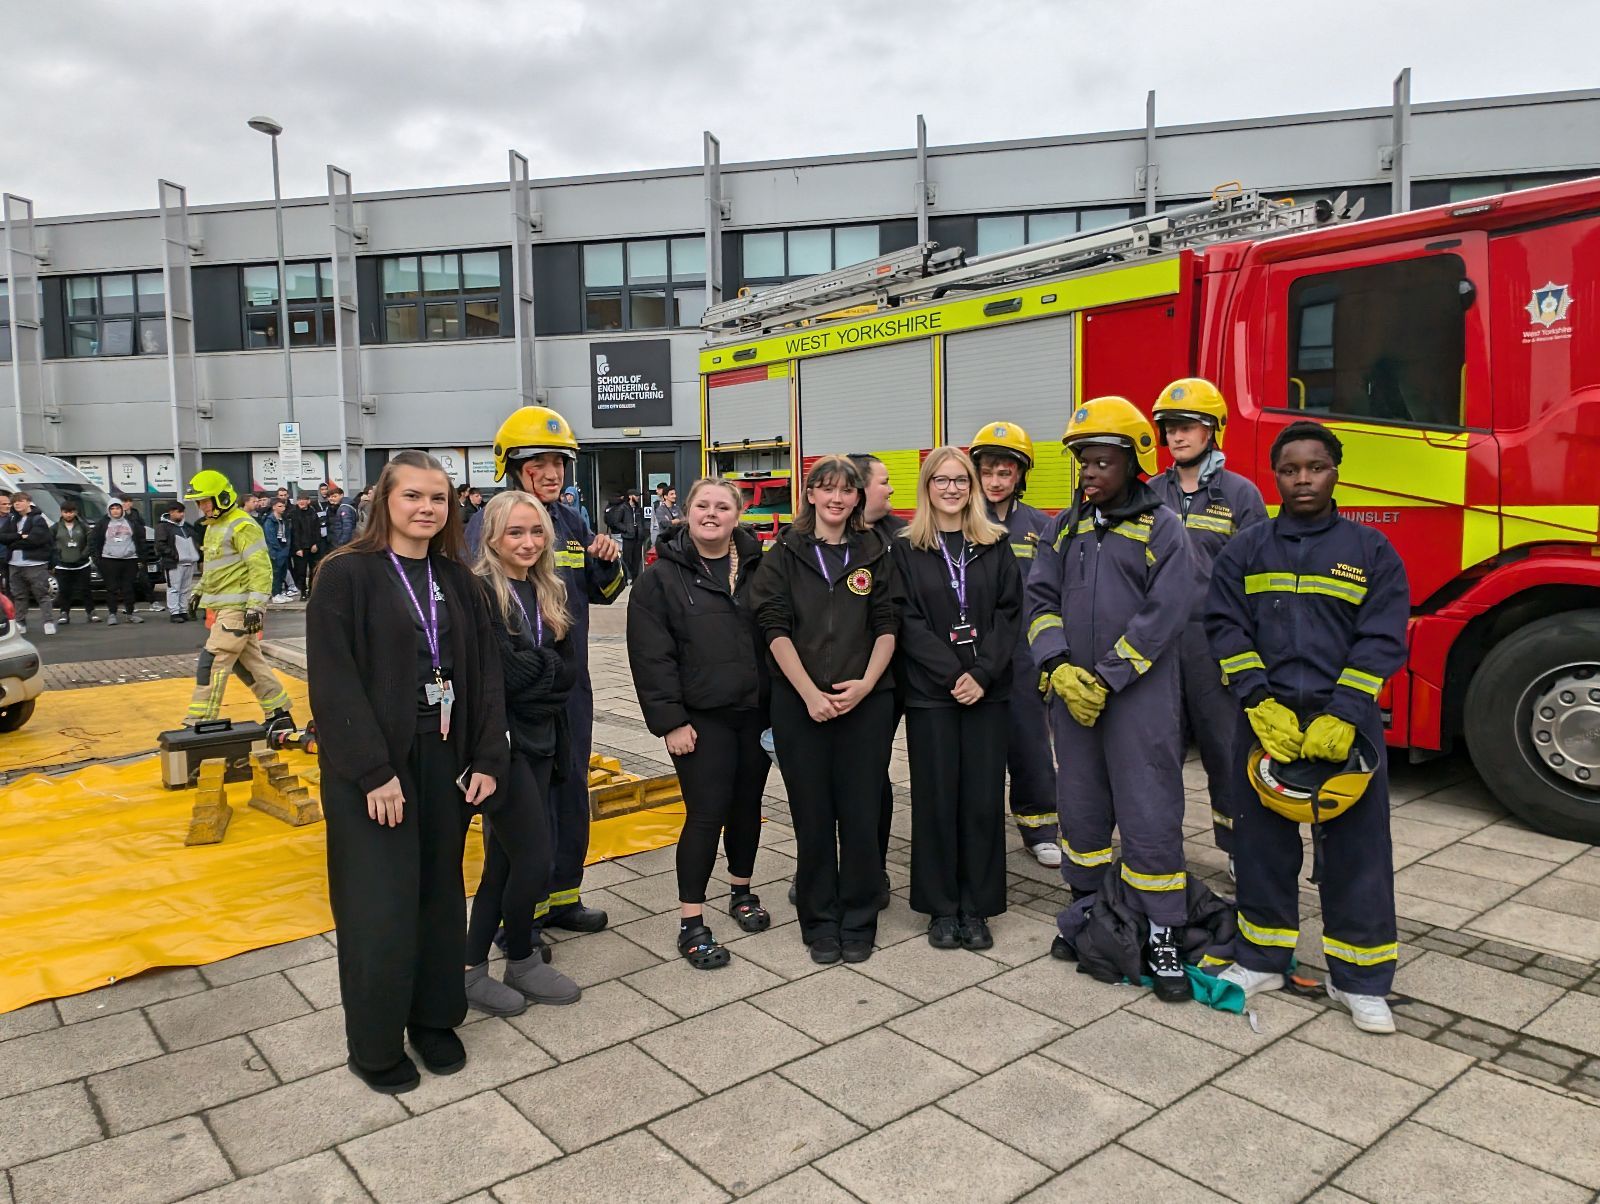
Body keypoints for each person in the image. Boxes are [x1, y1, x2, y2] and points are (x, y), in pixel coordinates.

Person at [307, 450, 506, 1093]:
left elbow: (484, 675)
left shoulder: (459, 579)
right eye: (413, 496)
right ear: (384, 502)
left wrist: (486, 756)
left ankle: (434, 1018)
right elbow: (333, 682)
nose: (426, 508)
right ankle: (373, 1042)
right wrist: (372, 772)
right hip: (375, 765)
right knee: (380, 905)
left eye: (438, 499)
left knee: (439, 896)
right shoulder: (346, 575)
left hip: (445, 758)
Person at [1206, 420, 1408, 1034]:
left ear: (1334, 471)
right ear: (1275, 475)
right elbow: (1223, 624)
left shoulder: (1370, 551)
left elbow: (1382, 635)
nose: (1301, 479)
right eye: (1289, 469)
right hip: (1266, 723)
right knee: (1261, 844)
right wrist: (1257, 700)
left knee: (1358, 852)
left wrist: (1346, 711)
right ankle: (1263, 956)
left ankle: (1361, 980)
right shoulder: (1247, 548)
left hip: (1346, 728)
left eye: (1314, 467)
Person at [1027, 396, 1197, 1003]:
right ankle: (1087, 919)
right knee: (1081, 808)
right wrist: (1058, 667)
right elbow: (1039, 601)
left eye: (1102, 462)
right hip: (1073, 698)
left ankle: (1162, 934)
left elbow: (1167, 611)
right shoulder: (1062, 527)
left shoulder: (1162, 528)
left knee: (1150, 812)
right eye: (1083, 463)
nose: (1090, 473)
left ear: (1134, 463)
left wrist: (1107, 675)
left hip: (1138, 701)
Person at [470, 406, 624, 934]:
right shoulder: (491, 521)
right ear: (512, 466)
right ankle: (522, 916)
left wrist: (608, 560)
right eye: (540, 462)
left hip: (569, 686)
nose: (553, 473)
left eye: (560, 462)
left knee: (569, 787)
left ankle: (562, 897)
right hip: (519, 692)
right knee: (520, 808)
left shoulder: (570, 521)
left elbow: (602, 594)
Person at [750, 455, 899, 965]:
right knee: (812, 819)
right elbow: (773, 627)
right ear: (810, 494)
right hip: (800, 706)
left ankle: (859, 919)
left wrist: (866, 686)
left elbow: (887, 623)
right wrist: (810, 694)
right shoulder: (783, 554)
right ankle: (818, 920)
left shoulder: (877, 550)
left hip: (866, 704)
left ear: (858, 499)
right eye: (827, 488)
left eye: (847, 490)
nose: (837, 498)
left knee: (860, 818)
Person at [628, 478, 771, 969]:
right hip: (699, 720)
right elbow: (651, 656)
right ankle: (692, 921)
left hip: (755, 713)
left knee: (748, 806)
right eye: (703, 506)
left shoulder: (760, 566)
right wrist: (670, 720)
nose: (712, 514)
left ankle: (742, 891)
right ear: (685, 513)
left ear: (738, 513)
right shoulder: (660, 578)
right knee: (706, 814)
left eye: (723, 506)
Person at [893, 448, 1021, 951]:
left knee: (984, 801)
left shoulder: (995, 545)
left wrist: (983, 673)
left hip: (988, 693)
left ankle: (978, 905)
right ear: (926, 487)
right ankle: (941, 907)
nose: (951, 488)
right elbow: (905, 620)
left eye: (961, 480)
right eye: (941, 480)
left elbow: (1011, 614)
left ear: (972, 487)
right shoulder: (906, 549)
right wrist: (953, 673)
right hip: (933, 694)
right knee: (936, 799)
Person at [464, 490, 581, 1014]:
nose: (529, 542)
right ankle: (514, 954)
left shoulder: (546, 589)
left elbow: (568, 672)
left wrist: (541, 673)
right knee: (531, 856)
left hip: (542, 739)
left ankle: (487, 966)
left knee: (503, 863)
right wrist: (544, 672)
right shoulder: (481, 594)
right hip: (501, 745)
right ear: (492, 537)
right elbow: (504, 676)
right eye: (516, 532)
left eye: (536, 532)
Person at [1149, 379, 1268, 868]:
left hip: (1214, 645)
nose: (1177, 437)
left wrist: (1250, 651)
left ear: (1213, 430)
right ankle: (1156, 846)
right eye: (1170, 428)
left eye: (1188, 427)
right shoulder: (1150, 493)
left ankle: (1239, 851)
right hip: (1158, 642)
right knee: (1157, 751)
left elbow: (1261, 579)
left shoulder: (1240, 495)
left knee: (1225, 751)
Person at [969, 422, 1061, 867]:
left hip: (1024, 656)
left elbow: (1050, 593)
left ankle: (1040, 825)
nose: (996, 480)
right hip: (975, 652)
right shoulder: (963, 521)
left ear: (1020, 475)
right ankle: (976, 827)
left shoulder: (1041, 527)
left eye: (1005, 472)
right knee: (979, 746)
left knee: (1030, 742)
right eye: (988, 471)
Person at [180, 471, 294, 727]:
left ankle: (199, 722)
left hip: (238, 610)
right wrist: (199, 591)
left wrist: (256, 606)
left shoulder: (243, 525)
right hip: (225, 609)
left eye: (206, 501)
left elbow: (261, 567)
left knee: (212, 661)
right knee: (249, 664)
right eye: (199, 502)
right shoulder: (213, 527)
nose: (202, 507)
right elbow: (213, 567)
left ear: (221, 498)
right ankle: (279, 713)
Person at [0, 492, 56, 635]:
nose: (17, 504)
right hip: (14, 563)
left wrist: (13, 543)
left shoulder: (38, 520)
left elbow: (35, 540)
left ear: (28, 502)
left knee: (42, 594)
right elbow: (2, 536)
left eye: (20, 501)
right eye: (14, 502)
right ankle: (20, 622)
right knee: (19, 595)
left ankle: (48, 622)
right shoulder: (12, 519)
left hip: (35, 564)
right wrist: (19, 536)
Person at [90, 500, 145, 625]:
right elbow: (94, 541)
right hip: (109, 560)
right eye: (112, 508)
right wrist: (97, 560)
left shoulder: (131, 523)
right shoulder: (103, 524)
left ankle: (130, 614)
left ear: (122, 509)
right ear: (109, 510)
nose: (115, 511)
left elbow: (140, 540)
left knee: (128, 588)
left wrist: (141, 558)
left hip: (129, 560)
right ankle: (112, 614)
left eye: (118, 508)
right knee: (111, 589)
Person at [154, 501, 202, 623]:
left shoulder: (186, 526)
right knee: (174, 588)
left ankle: (183, 610)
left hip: (188, 561)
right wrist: (174, 555)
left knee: (185, 588)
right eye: (179, 512)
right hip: (173, 562)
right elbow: (160, 545)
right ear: (171, 512)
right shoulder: (163, 527)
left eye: (183, 512)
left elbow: (195, 539)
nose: (182, 514)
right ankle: (175, 612)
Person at [52, 501, 96, 624]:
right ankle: (64, 613)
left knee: (86, 590)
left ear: (75, 512)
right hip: (63, 566)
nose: (69, 515)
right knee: (65, 591)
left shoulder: (83, 526)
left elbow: (91, 542)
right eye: (66, 512)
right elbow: (49, 544)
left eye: (71, 512)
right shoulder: (55, 527)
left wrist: (84, 555)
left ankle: (91, 612)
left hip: (82, 565)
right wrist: (56, 557)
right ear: (61, 512)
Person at [604, 490, 646, 581]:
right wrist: (626, 529)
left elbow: (641, 522)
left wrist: (641, 532)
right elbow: (616, 522)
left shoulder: (639, 509)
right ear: (630, 496)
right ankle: (628, 578)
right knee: (627, 559)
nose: (638, 497)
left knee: (637, 559)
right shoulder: (623, 508)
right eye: (636, 495)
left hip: (638, 537)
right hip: (628, 537)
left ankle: (635, 579)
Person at [287, 493, 321, 597]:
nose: (301, 502)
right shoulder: (293, 514)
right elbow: (294, 533)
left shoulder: (313, 513)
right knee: (300, 572)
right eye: (299, 500)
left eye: (304, 499)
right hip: (299, 548)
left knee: (313, 570)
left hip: (312, 547)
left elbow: (317, 530)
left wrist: (316, 544)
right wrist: (297, 548)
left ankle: (312, 591)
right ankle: (303, 591)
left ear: (308, 501)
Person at [263, 498, 294, 602]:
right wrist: (276, 550)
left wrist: (286, 547)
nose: (283, 508)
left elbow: (287, 534)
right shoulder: (270, 520)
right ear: (274, 507)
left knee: (283, 572)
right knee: (276, 573)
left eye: (284, 506)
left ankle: (280, 592)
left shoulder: (283, 519)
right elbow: (270, 537)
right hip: (275, 550)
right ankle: (275, 594)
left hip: (284, 548)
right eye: (280, 506)